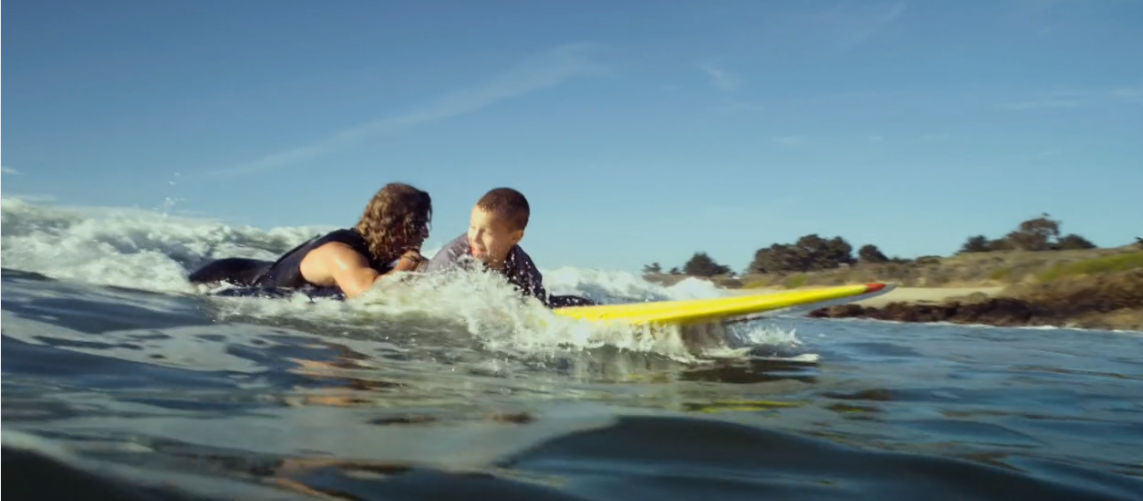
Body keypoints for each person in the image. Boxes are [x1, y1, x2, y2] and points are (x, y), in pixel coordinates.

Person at [188, 182, 432, 299]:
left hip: (255, 270)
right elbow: (368, 294)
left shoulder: (373, 257)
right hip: (225, 278)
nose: (425, 234)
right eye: (417, 226)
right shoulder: (341, 252)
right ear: (394, 224)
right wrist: (410, 260)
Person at [423, 187, 594, 308]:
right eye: (472, 227)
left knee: (578, 303)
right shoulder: (451, 260)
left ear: (515, 237)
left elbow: (540, 305)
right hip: (420, 275)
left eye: (487, 232)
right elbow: (427, 298)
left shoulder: (521, 265)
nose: (474, 237)